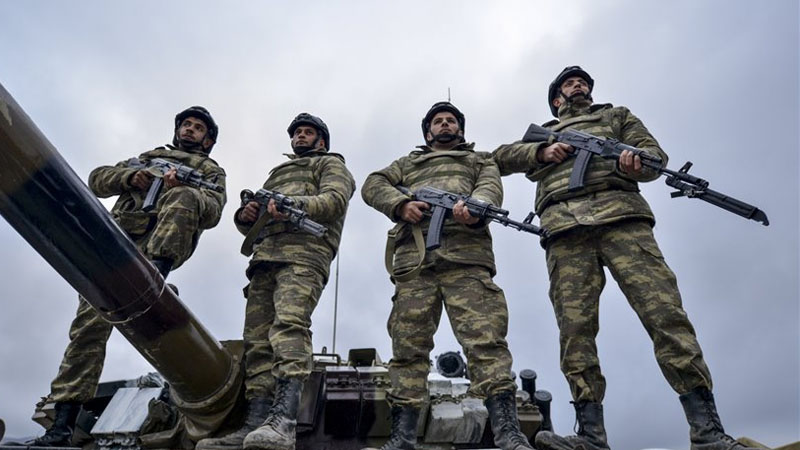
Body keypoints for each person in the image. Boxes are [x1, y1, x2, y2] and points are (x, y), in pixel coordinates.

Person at [493, 66, 757, 450]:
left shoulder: (616, 116)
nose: (578, 86)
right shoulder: (545, 132)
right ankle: (591, 435)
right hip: (566, 233)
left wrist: (635, 163)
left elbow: (654, 156)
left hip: (624, 221)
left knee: (666, 316)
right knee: (575, 333)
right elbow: (500, 158)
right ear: (556, 98)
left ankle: (707, 432)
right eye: (569, 83)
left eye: (583, 82)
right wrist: (541, 151)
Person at [31, 106, 226, 447]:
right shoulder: (148, 157)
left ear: (208, 141)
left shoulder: (209, 171)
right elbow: (97, 180)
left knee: (184, 195)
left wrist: (181, 188)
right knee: (86, 333)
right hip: (116, 248)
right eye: (186, 124)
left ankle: (154, 279)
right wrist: (132, 178)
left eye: (198, 128)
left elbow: (212, 212)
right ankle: (61, 426)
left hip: (159, 247)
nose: (190, 130)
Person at [360, 102, 533, 450]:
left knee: (486, 343)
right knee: (407, 349)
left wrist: (475, 208)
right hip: (415, 264)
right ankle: (402, 437)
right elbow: (373, 184)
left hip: (467, 261)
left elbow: (489, 190)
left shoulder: (479, 160)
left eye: (450, 121)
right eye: (438, 121)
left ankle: (508, 433)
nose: (444, 125)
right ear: (428, 132)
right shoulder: (408, 164)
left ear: (460, 129)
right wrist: (400, 205)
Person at [196, 113, 354, 450]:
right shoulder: (278, 173)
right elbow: (251, 225)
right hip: (265, 258)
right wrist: (247, 216)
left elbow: (334, 201)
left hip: (304, 255)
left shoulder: (331, 165)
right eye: (297, 132)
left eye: (308, 132)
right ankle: (255, 422)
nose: (300, 136)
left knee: (289, 327)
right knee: (257, 342)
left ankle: (284, 421)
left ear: (321, 141)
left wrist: (294, 204)